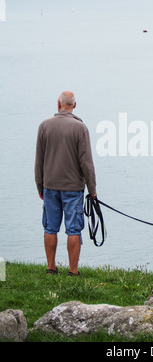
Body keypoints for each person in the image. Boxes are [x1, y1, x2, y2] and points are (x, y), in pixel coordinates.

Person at [35, 91, 97, 276]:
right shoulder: (80, 128)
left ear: (58, 103)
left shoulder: (44, 126)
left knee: (50, 227)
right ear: (74, 105)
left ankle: (51, 267)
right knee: (73, 229)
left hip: (50, 186)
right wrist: (92, 190)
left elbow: (39, 161)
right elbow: (86, 163)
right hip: (73, 188)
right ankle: (73, 270)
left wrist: (40, 186)